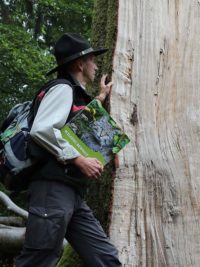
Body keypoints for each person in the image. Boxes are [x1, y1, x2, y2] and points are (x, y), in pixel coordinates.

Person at [15, 33, 122, 267]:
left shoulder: (71, 92)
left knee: (105, 258)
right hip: (52, 190)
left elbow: (75, 123)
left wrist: (100, 98)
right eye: (92, 59)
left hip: (71, 193)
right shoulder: (62, 88)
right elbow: (42, 129)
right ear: (79, 63)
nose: (96, 65)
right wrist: (78, 159)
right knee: (39, 259)